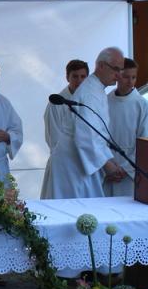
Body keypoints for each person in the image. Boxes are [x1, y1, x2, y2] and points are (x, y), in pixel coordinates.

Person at [65, 47, 127, 198]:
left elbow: (99, 134)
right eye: (116, 69)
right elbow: (87, 135)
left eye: (121, 70)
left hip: (84, 161)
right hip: (75, 164)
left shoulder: (96, 88)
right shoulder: (90, 93)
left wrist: (109, 159)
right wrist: (106, 164)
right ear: (101, 66)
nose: (119, 75)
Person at [106, 57, 148, 198]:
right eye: (126, 77)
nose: (130, 82)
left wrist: (126, 169)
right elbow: (98, 137)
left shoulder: (143, 105)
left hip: (130, 172)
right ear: (117, 76)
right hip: (108, 168)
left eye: (134, 77)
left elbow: (146, 140)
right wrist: (107, 165)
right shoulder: (105, 101)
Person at [41, 59, 89, 198]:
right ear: (67, 77)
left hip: (85, 165)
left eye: (83, 76)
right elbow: (54, 139)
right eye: (75, 76)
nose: (79, 80)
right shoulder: (56, 104)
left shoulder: (89, 102)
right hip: (63, 166)